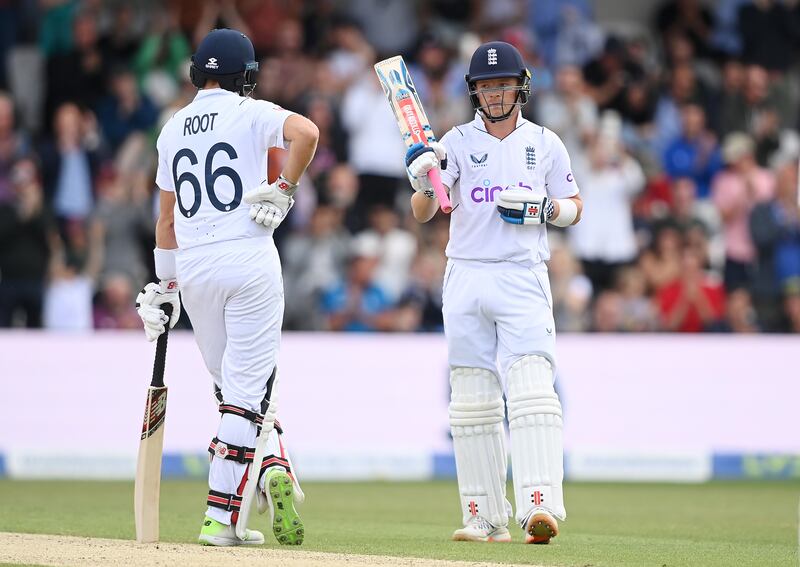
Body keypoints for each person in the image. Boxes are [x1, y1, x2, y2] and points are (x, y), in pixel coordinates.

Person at [135, 29, 318, 547]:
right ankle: (219, 518)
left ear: (197, 73)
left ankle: (270, 467)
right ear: (248, 78)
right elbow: (307, 133)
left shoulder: (171, 129)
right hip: (248, 259)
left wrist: (164, 285)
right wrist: (285, 189)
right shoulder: (248, 112)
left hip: (193, 270)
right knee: (245, 398)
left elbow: (165, 222)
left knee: (235, 395)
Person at [405, 41, 583, 544]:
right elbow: (427, 211)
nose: (495, 93)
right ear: (474, 92)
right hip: (464, 274)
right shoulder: (454, 142)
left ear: (520, 87)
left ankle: (539, 506)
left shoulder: (545, 142)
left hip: (522, 273)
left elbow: (574, 205)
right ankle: (483, 516)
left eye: (502, 84)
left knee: (531, 390)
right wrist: (422, 181)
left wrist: (544, 211)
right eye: (486, 86)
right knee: (471, 400)